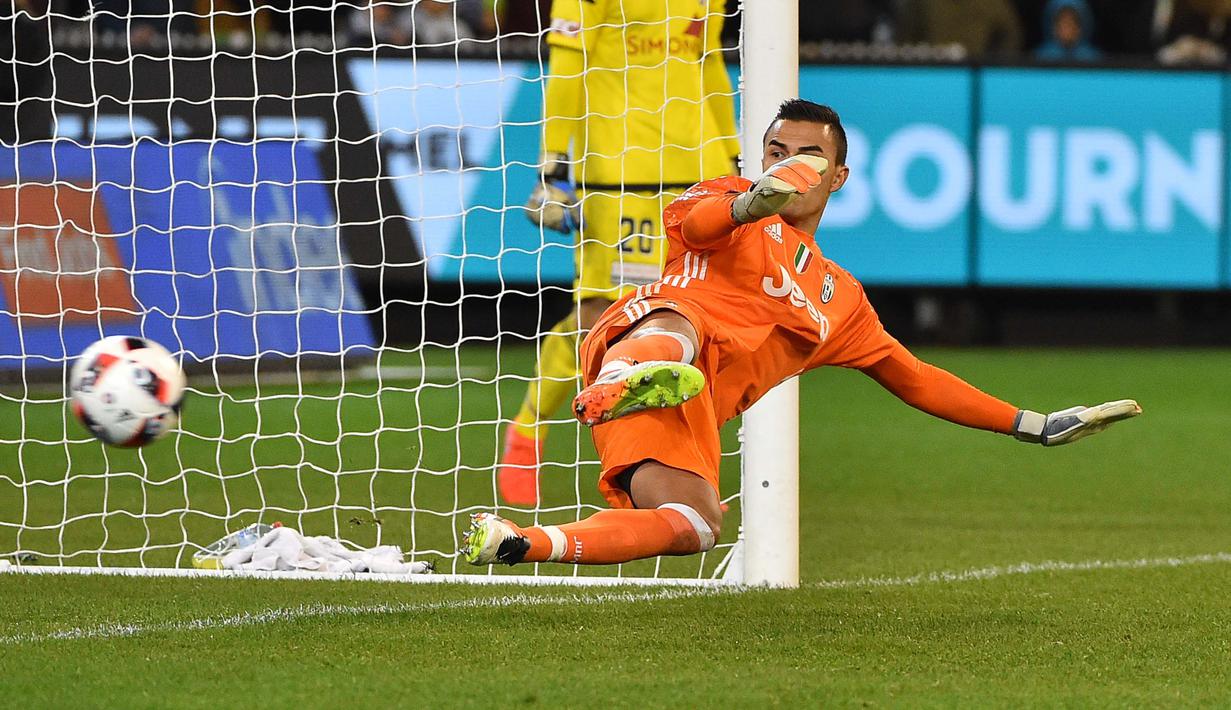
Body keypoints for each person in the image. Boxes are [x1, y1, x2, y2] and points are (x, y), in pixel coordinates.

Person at [462, 100, 1141, 567]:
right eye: (775, 151)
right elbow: (696, 227)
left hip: (683, 410)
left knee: (696, 525)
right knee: (685, 323)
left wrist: (1029, 423)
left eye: (808, 157)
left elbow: (916, 378)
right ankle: (622, 376)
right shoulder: (722, 198)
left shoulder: (840, 299)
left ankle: (524, 542)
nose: (788, 165)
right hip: (642, 337)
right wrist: (748, 203)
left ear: (838, 176)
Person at [497, 0, 740, 505]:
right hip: (615, 170)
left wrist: (732, 153)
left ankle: (661, 458)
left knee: (690, 315)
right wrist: (553, 165)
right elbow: (567, 67)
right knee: (598, 317)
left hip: (696, 166)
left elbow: (709, 60)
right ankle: (530, 426)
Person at [897, 0, 1024, 57]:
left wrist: (991, 64)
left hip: (975, 72)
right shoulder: (923, 3)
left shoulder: (992, 3)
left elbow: (1010, 34)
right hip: (932, 72)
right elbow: (906, 38)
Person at [1035, 0, 1102, 60]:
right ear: (1052, 26)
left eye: (1072, 23)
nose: (1067, 29)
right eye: (1061, 23)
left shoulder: (1094, 59)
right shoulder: (1039, 58)